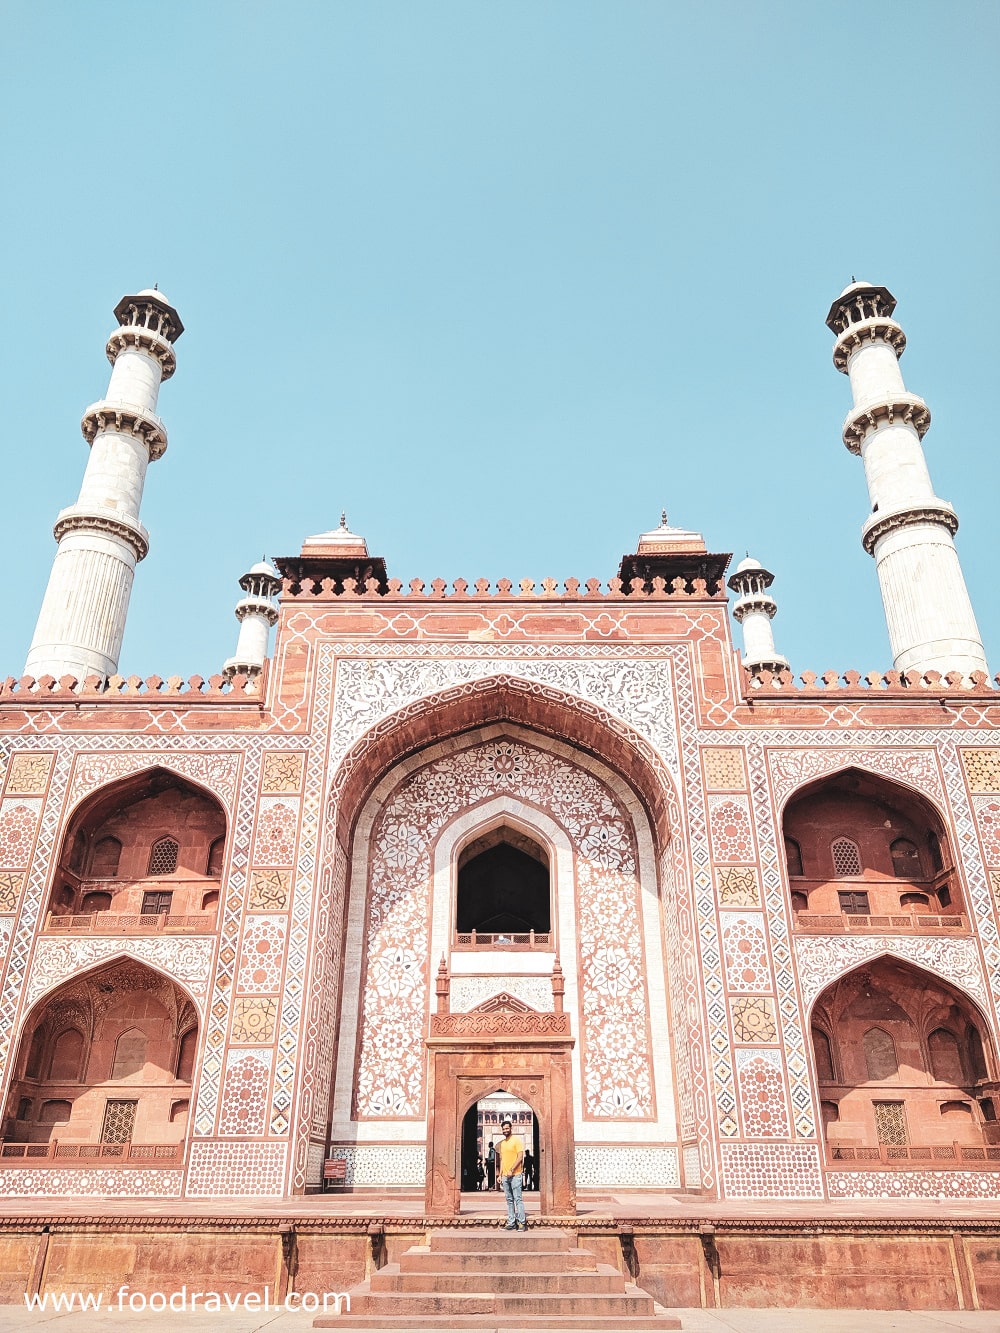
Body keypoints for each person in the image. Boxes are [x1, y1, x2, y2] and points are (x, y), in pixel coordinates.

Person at [497, 1118, 526, 1231]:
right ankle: (511, 1222)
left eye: (507, 1128)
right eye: (503, 1129)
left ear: (511, 1129)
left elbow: (520, 1157)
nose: (505, 1130)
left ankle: (522, 1222)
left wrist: (512, 1170)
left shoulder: (516, 1141)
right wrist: (500, 1175)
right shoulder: (503, 1143)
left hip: (515, 1174)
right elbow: (502, 1159)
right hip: (505, 1176)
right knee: (509, 1200)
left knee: (518, 1199)